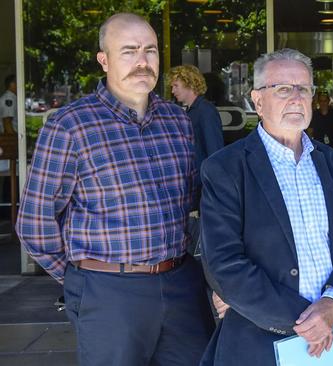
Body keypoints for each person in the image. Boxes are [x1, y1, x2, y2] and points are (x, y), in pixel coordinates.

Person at [15, 13, 213, 366]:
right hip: (108, 291)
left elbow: (192, 198)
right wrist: (83, 278)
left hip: (181, 284)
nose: (142, 61)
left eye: (150, 51)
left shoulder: (177, 120)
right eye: (129, 51)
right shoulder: (70, 126)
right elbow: (34, 222)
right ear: (103, 60)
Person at [199, 48, 333, 365]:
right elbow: (224, 264)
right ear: (257, 101)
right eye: (283, 89)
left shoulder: (329, 162)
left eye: (303, 88)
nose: (296, 98)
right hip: (261, 341)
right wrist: (305, 322)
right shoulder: (226, 168)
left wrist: (332, 303)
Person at [167, 65, 224, 257]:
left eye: (176, 85)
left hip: (201, 189)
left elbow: (215, 153)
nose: (173, 91)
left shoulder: (205, 111)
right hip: (194, 187)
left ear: (188, 83)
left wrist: (209, 190)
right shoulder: (191, 112)